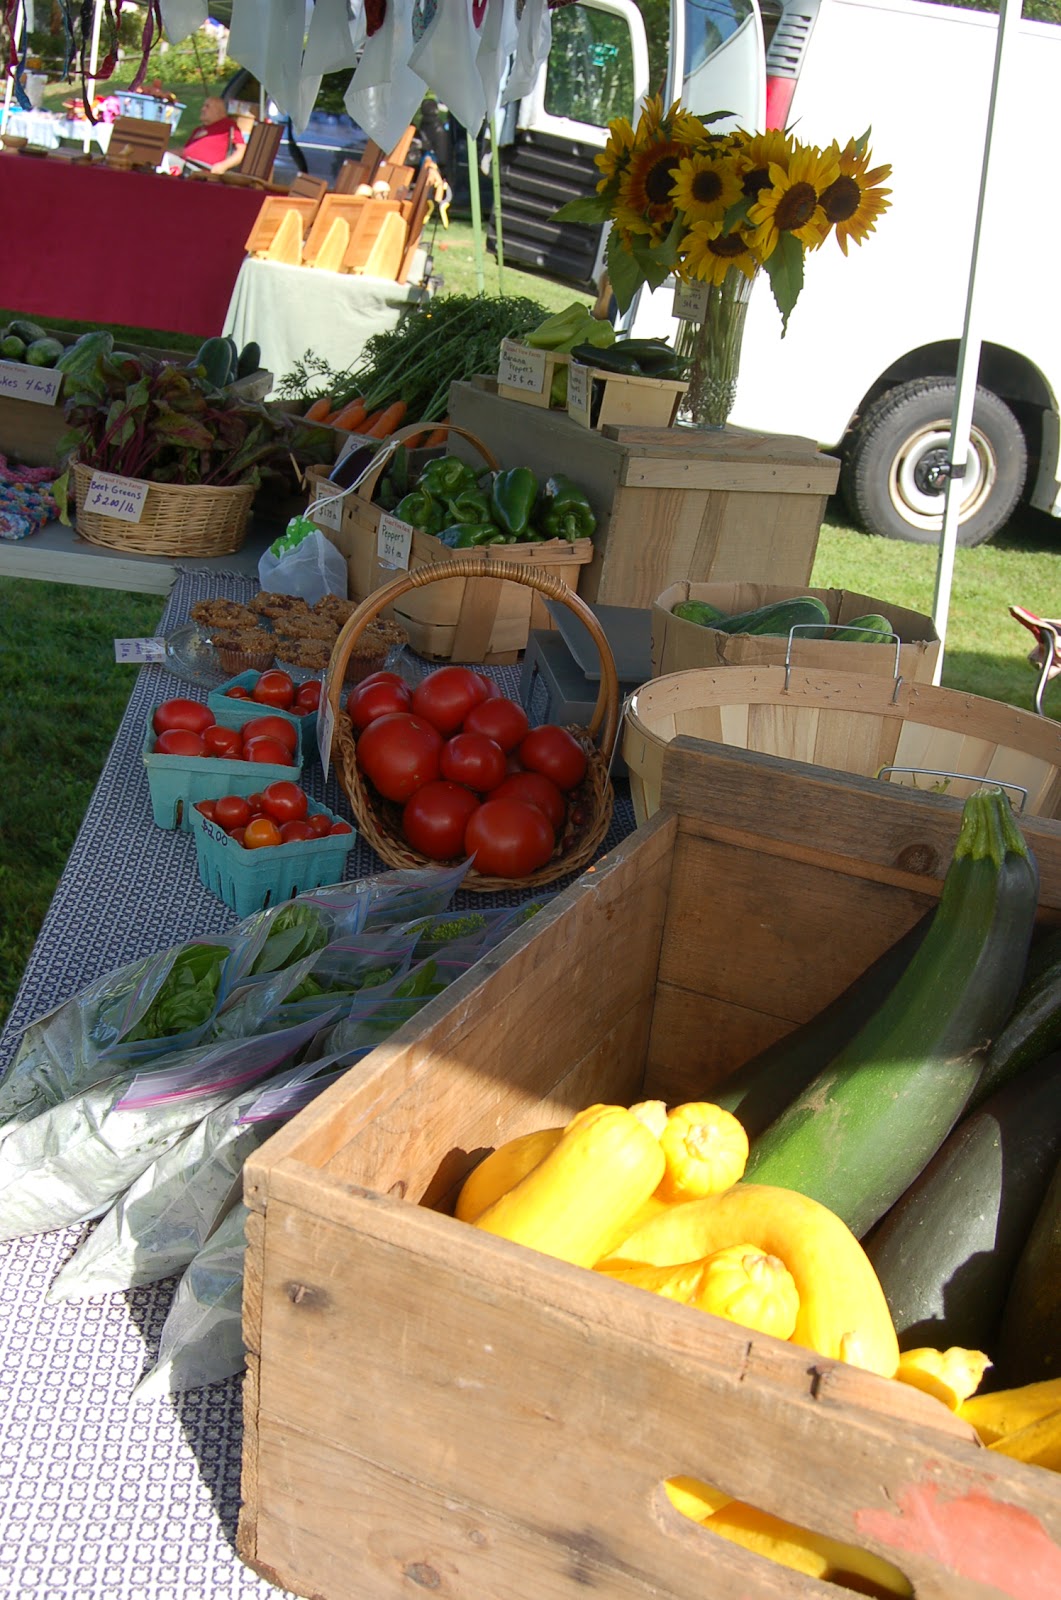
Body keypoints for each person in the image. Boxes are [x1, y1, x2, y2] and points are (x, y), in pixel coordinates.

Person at [182, 95, 246, 174]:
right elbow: (184, 151)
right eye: (203, 106)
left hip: (207, 171)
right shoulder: (198, 130)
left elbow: (242, 150)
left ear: (219, 112)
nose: (202, 109)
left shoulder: (228, 125)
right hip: (185, 166)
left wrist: (223, 166)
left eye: (207, 106)